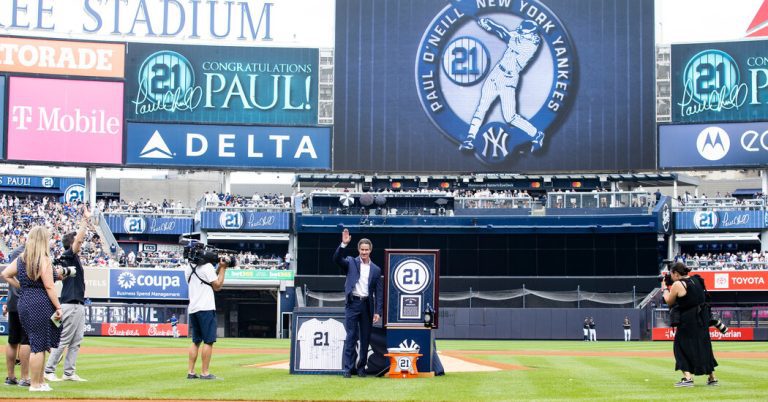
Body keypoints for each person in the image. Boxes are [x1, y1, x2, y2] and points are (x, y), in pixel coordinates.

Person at [459, 18, 545, 152]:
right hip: (497, 73)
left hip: (509, 80)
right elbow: (503, 32)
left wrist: (492, 24)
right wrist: (487, 26)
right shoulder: (522, 34)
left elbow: (505, 35)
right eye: (521, 30)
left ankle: (536, 134)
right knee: (482, 107)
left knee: (510, 117)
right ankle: (470, 138)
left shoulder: (531, 44)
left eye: (524, 31)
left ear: (532, 33)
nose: (520, 31)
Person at [1, 226, 62, 392]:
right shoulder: (43, 259)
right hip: (40, 302)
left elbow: (5, 274)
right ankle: (35, 384)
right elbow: (49, 286)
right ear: (43, 240)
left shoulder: (22, 258)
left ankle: (40, 381)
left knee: (37, 343)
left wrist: (22, 286)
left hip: (24, 301)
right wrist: (58, 306)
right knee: (38, 346)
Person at [44, 209, 92, 383]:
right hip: (70, 304)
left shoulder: (73, 257)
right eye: (77, 241)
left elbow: (78, 240)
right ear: (71, 243)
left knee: (76, 340)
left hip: (77, 304)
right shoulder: (69, 255)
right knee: (64, 339)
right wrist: (85, 221)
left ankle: (69, 372)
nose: (81, 242)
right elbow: (79, 239)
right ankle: (48, 370)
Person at [333, 228, 383, 378]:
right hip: (353, 304)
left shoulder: (376, 269)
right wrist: (343, 244)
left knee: (365, 338)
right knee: (351, 337)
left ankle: (361, 368)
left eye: (366, 250)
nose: (364, 252)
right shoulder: (350, 262)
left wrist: (378, 311)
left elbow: (379, 292)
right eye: (362, 249)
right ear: (358, 249)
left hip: (367, 305)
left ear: (370, 250)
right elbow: (336, 259)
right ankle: (348, 369)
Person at [662, 262, 718, 387]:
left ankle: (687, 378)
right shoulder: (697, 279)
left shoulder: (677, 283)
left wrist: (665, 288)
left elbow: (669, 301)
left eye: (671, 274)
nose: (671, 276)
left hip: (688, 321)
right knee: (704, 347)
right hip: (702, 318)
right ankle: (712, 377)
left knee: (680, 347)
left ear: (676, 273)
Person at [184, 247, 228, 380]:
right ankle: (205, 372)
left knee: (196, 341)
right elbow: (217, 285)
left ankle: (191, 372)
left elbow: (207, 279)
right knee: (208, 341)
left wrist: (218, 268)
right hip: (206, 307)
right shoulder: (207, 266)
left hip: (193, 308)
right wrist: (223, 268)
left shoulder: (188, 268)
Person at [3, 245, 30, 387]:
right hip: (26, 301)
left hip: (13, 301)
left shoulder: (15, 253)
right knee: (26, 341)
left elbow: (8, 277)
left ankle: (10, 377)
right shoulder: (31, 253)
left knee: (12, 340)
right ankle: (25, 378)